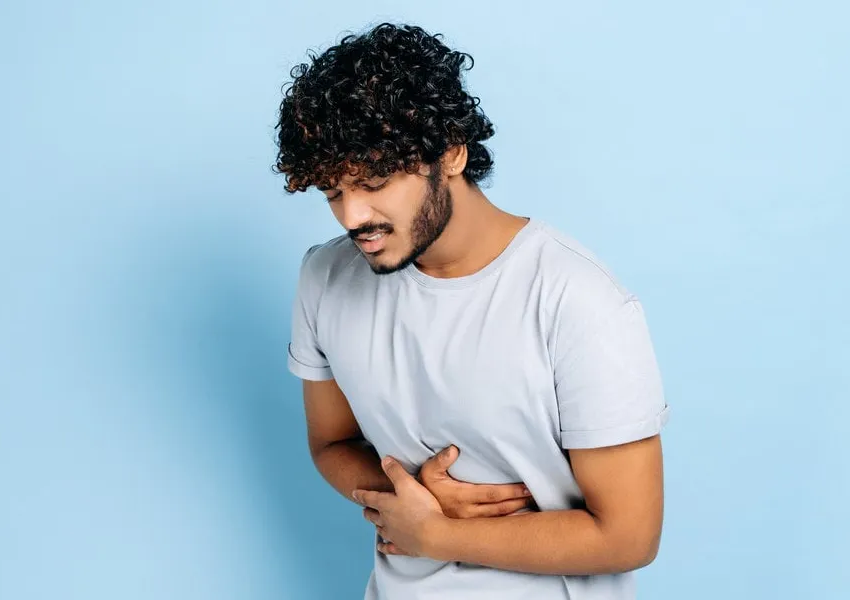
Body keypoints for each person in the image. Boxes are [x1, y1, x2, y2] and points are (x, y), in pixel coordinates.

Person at [274, 22, 670, 600]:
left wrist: (439, 534)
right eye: (333, 192)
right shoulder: (325, 277)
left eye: (375, 182)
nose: (353, 216)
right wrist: (412, 493)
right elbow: (331, 445)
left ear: (452, 153)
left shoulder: (577, 300)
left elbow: (630, 536)